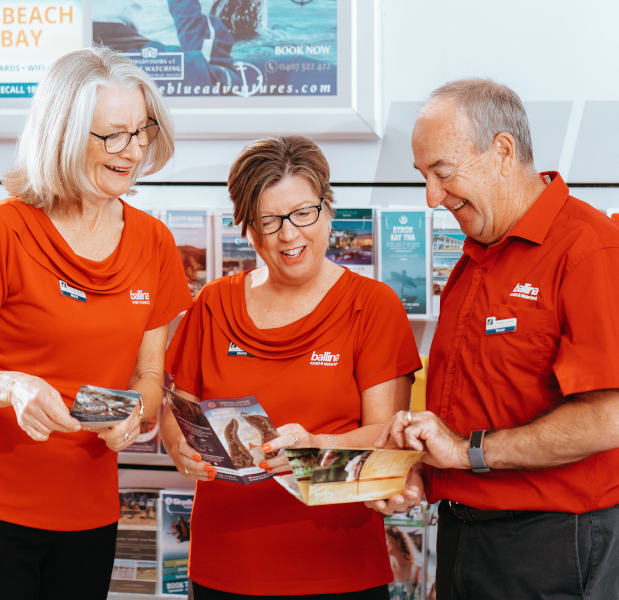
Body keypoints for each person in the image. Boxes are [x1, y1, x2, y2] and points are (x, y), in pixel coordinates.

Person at [0, 47, 192, 600]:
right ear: (64, 135)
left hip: (88, 512)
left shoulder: (154, 243)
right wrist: (11, 385)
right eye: (112, 135)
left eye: (142, 131)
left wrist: (137, 413)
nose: (133, 150)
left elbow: (148, 378)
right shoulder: (2, 231)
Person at [369, 79, 619, 600]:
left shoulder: (591, 252)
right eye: (423, 177)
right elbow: (479, 408)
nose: (432, 197)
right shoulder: (475, 258)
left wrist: (465, 453)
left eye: (443, 173)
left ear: (502, 151)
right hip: (467, 539)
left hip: (552, 548)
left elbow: (609, 420)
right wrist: (420, 476)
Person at [160, 135, 423, 598]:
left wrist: (315, 446)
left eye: (304, 213)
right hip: (225, 565)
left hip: (340, 567)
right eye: (270, 220)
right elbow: (176, 410)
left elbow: (386, 434)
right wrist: (181, 445)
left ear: (328, 210)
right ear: (247, 229)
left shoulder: (372, 305)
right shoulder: (214, 303)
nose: (289, 234)